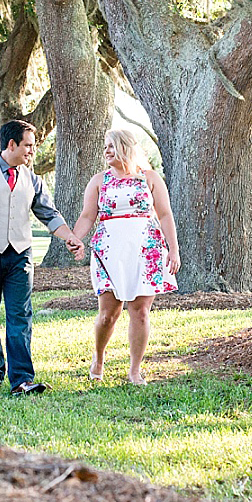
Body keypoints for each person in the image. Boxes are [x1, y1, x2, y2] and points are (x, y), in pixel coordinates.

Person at [0, 120, 84, 395]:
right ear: (11, 144)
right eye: (28, 145)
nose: (32, 151)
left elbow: (49, 215)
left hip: (20, 257)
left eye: (33, 146)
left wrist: (70, 237)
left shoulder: (33, 179)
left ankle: (22, 380)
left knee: (20, 316)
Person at [72, 128, 180, 385]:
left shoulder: (150, 178)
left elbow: (165, 215)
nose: (106, 151)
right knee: (109, 313)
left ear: (125, 147)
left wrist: (173, 249)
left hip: (147, 249)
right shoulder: (99, 180)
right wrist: (76, 239)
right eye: (105, 146)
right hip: (109, 249)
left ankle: (134, 370)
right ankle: (98, 358)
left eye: (111, 146)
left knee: (140, 311)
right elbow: (88, 216)